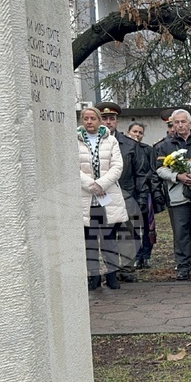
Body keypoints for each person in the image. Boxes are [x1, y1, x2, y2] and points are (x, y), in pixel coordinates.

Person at [154, 109, 191, 280]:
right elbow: (159, 169)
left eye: (183, 121)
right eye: (176, 122)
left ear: (190, 123)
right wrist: (177, 176)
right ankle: (183, 266)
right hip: (178, 195)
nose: (180, 125)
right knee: (181, 233)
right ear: (172, 124)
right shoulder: (166, 145)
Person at [77, 106, 129, 290]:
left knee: (109, 238)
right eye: (86, 119)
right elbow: (73, 168)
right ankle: (94, 277)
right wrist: (92, 186)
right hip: (86, 198)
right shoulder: (74, 141)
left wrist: (101, 185)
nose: (89, 122)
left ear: (99, 121)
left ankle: (112, 275)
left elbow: (117, 166)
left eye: (93, 118)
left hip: (107, 196)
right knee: (90, 240)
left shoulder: (111, 140)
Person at [99, 102, 147, 283]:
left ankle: (127, 269)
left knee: (128, 233)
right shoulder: (91, 144)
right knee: (106, 234)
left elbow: (141, 172)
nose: (108, 122)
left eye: (112, 118)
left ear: (117, 121)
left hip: (127, 193)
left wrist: (141, 197)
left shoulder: (129, 145)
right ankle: (111, 270)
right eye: (104, 118)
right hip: (102, 195)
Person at [124, 122, 157, 270]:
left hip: (145, 191)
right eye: (134, 131)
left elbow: (152, 170)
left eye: (140, 132)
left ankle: (146, 255)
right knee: (132, 226)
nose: (137, 135)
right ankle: (136, 255)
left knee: (147, 226)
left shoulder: (148, 149)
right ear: (128, 132)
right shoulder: (123, 148)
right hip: (130, 192)